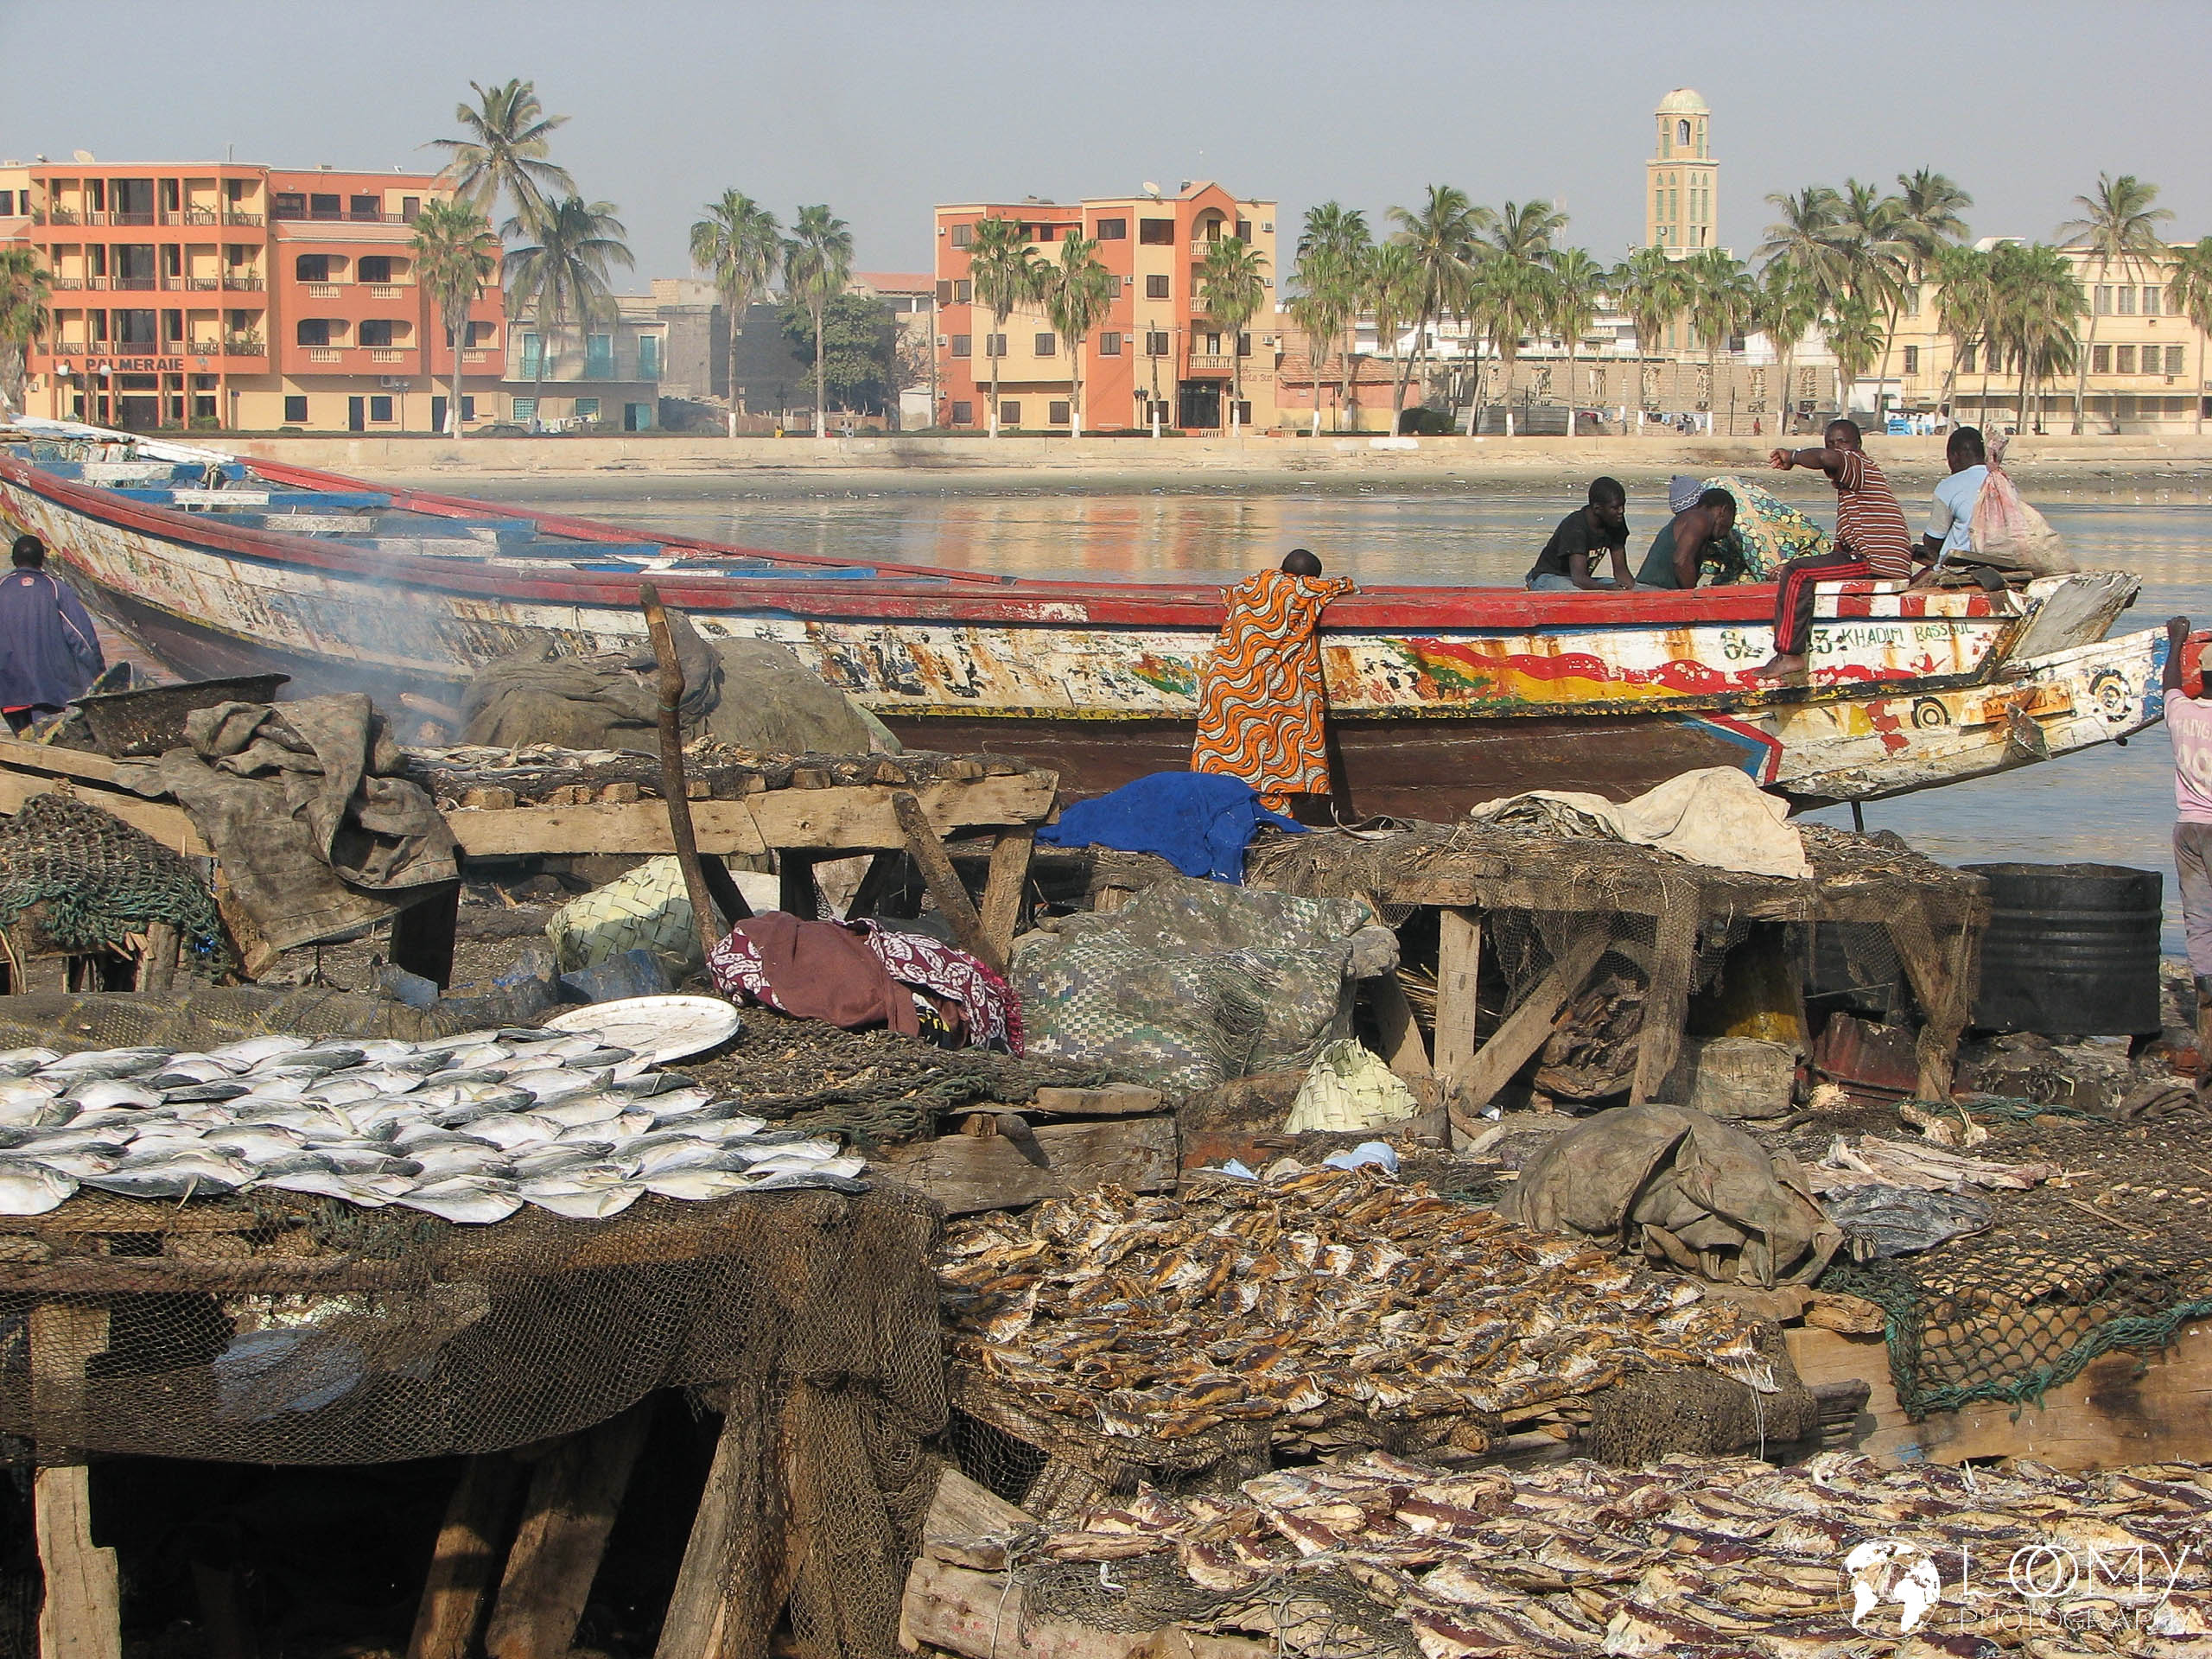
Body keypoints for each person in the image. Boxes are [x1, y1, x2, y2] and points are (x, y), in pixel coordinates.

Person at [1191, 548, 1355, 814]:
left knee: (1221, 759)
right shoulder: (1304, 590)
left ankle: (1216, 813)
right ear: (1310, 577)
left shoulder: (1250, 584)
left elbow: (1227, 593)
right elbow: (1345, 585)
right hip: (1260, 692)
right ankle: (1268, 818)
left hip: (1226, 682)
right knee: (1270, 758)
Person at [1757, 420, 1919, 679]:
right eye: (1831, 443)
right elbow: (1839, 551)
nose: (1836, 449)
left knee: (1799, 574)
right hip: (1873, 558)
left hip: (1876, 560)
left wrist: (1794, 457)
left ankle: (1789, 654)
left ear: (1857, 445)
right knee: (1796, 569)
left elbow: (1826, 458)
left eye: (1842, 443)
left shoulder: (1858, 464)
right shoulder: (1852, 492)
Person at [2165, 616, 2212, 1075]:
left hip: (2188, 828)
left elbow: (2169, 684)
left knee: (2199, 916)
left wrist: (2176, 639)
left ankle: (2206, 983)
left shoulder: (2181, 715)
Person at [0, 535, 103, 734]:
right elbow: (82, 640)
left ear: (14, 561)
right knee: (48, 741)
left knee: (26, 744)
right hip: (52, 691)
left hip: (10, 693)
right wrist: (99, 675)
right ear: (42, 560)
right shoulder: (56, 589)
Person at [1524, 478, 1630, 591]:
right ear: (1597, 509)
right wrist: (1608, 588)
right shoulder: (1576, 526)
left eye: (1623, 505)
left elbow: (1621, 572)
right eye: (1615, 508)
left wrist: (1632, 590)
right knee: (1575, 591)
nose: (1621, 511)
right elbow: (1579, 579)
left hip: (1577, 580)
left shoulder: (1615, 522)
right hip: (1547, 578)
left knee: (1623, 586)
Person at [1636, 488, 1739, 589]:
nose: (1727, 532)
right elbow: (1681, 561)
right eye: (1731, 521)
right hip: (1653, 591)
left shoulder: (1692, 519)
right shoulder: (1701, 519)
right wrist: (1693, 596)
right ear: (1724, 511)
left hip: (1650, 589)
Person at [1919, 425, 1990, 572]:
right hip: (1999, 561)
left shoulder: (1949, 486)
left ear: (1955, 456)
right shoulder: (2002, 481)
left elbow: (1934, 540)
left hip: (1959, 566)